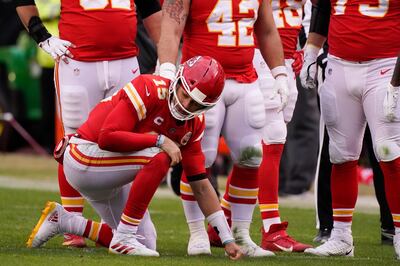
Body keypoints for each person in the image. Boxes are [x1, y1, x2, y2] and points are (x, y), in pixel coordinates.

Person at [26, 56, 243, 259]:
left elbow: (201, 185)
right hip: (84, 155)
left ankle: (66, 222)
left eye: (195, 104)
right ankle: (124, 236)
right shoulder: (149, 88)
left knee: (147, 243)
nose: (185, 105)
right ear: (177, 80)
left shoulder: (194, 124)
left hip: (112, 172)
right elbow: (107, 138)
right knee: (160, 155)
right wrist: (159, 140)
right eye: (185, 95)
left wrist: (227, 239)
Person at [15, 0, 162, 247]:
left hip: (126, 60)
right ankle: (74, 225)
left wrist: (166, 58)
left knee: (127, 140)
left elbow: (149, 7)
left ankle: (97, 223)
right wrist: (41, 35)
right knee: (74, 143)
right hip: (79, 61)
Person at [158, 0, 288, 257]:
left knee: (251, 157)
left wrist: (280, 72)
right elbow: (171, 26)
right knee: (200, 160)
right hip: (201, 84)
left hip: (245, 80)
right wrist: (167, 70)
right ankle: (197, 233)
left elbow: (267, 29)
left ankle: (241, 235)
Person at [300, 0, 400, 258]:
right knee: (340, 154)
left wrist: (397, 81)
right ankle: (341, 235)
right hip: (339, 65)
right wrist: (311, 51)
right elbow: (322, 8)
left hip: (386, 66)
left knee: (389, 151)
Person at [250, 0, 313, 252]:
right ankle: (272, 229)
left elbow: (313, 12)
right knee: (273, 138)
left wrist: (305, 50)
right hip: (259, 57)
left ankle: (223, 216)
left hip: (286, 60)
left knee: (262, 145)